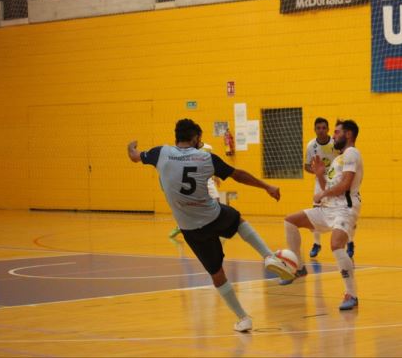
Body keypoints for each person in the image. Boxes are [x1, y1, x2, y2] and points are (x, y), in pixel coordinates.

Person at [127, 118, 292, 332]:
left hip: (190, 229)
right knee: (237, 219)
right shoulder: (206, 157)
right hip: (213, 215)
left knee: (217, 274)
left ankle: (243, 318)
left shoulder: (160, 153)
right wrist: (266, 186)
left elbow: (134, 156)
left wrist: (131, 146)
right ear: (195, 137)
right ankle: (268, 255)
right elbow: (238, 175)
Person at [282, 120, 363, 310]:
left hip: (345, 209)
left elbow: (345, 185)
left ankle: (351, 294)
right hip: (328, 209)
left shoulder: (352, 153)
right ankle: (299, 268)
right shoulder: (337, 160)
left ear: (348, 134)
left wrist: (322, 194)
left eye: (336, 132)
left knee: (335, 245)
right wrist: (319, 174)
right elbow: (329, 185)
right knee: (290, 221)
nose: (333, 136)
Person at [304, 118, 355, 259]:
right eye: (318, 128)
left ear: (327, 129)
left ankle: (350, 242)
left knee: (344, 211)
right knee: (315, 211)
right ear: (315, 130)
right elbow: (306, 165)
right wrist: (317, 172)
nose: (321, 130)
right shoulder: (311, 146)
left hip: (336, 179)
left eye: (324, 128)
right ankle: (316, 244)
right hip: (320, 180)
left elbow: (344, 157)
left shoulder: (336, 142)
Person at [169, 141, 221, 239]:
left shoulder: (208, 147)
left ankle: (216, 228)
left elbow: (212, 163)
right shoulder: (185, 148)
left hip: (207, 179)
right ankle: (180, 226)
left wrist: (216, 175)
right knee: (191, 206)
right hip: (195, 181)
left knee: (217, 202)